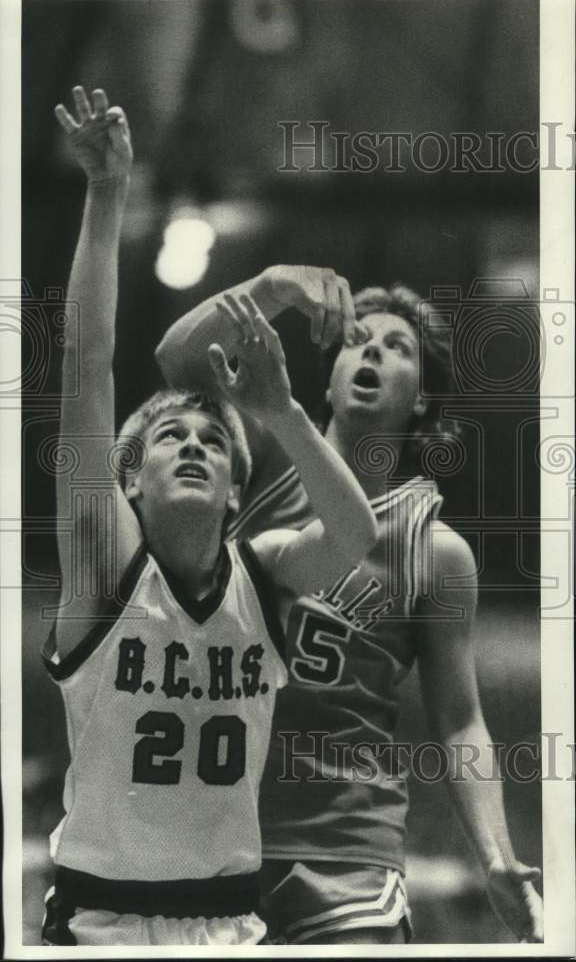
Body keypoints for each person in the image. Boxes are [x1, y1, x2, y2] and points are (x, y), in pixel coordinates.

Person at [43, 88, 377, 947]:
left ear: (236, 490)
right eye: (168, 437)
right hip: (100, 921)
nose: (192, 446)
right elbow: (87, 360)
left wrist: (286, 416)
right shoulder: (104, 565)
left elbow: (354, 538)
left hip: (230, 922)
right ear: (130, 481)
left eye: (213, 442)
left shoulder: (259, 575)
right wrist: (108, 193)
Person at [157, 266, 545, 944]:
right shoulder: (259, 457)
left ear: (423, 399)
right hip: (212, 827)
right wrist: (275, 286)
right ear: (329, 377)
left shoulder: (437, 551)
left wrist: (495, 856)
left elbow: (459, 720)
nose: (371, 351)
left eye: (397, 347)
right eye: (356, 340)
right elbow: (180, 356)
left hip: (346, 852)